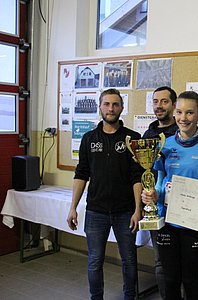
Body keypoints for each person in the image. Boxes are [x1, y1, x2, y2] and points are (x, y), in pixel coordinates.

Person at [142, 91, 198, 300]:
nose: (183, 118)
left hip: (192, 222)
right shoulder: (163, 144)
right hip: (167, 220)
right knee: (169, 279)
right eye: (179, 112)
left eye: (189, 112)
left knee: (190, 278)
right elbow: (160, 179)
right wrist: (153, 195)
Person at [66, 88, 143, 300]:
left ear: (122, 108)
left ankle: (130, 297)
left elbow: (137, 177)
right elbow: (81, 174)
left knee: (128, 260)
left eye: (115, 104)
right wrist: (73, 207)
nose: (111, 108)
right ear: (100, 107)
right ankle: (96, 297)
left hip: (125, 212)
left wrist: (138, 209)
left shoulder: (132, 139)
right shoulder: (89, 139)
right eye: (107, 104)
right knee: (94, 260)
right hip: (96, 212)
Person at [142, 86, 178, 300]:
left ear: (174, 105)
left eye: (164, 101)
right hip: (156, 207)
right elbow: (143, 173)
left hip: (181, 208)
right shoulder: (148, 135)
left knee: (183, 261)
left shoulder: (183, 132)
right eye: (156, 102)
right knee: (161, 261)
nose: (159, 106)